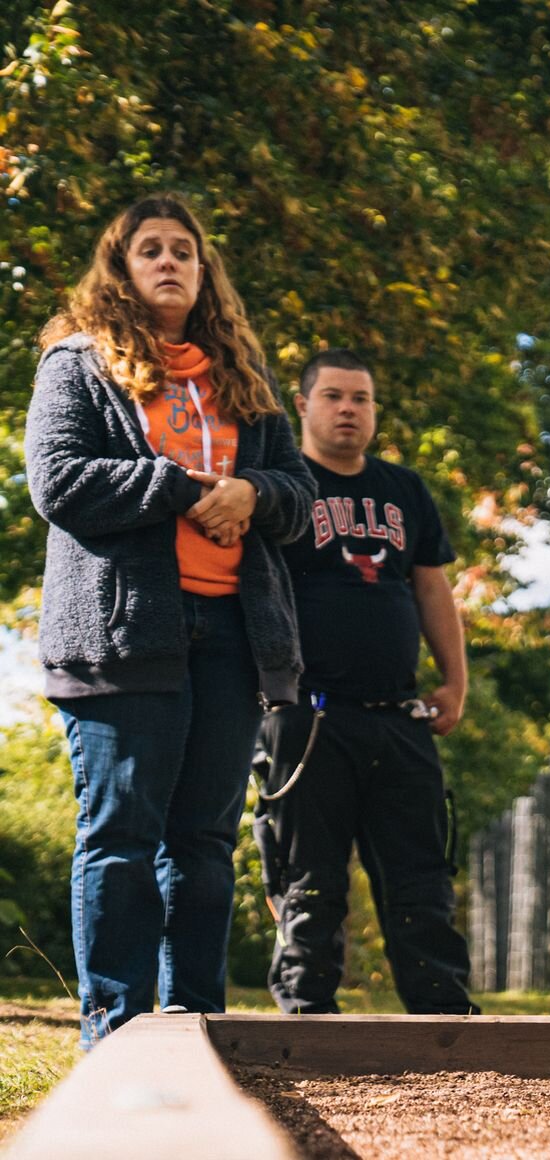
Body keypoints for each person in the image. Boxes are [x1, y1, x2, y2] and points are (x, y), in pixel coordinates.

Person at [25, 194, 315, 1047]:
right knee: (120, 832)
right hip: (123, 636)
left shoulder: (245, 384)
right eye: (148, 249)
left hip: (232, 635)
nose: (168, 261)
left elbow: (298, 500)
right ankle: (114, 1033)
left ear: (204, 270)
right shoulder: (76, 366)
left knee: (203, 842)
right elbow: (61, 483)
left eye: (183, 250)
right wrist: (186, 489)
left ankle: (199, 1029)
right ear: (120, 267)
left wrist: (254, 493)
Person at [251, 348, 479, 1016]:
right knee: (309, 882)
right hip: (308, 716)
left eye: (361, 398)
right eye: (333, 396)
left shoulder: (403, 489)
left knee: (422, 880)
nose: (348, 409)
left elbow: (433, 588)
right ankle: (307, 1021)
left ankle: (445, 1021)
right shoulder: (280, 486)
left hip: (399, 717)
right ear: (303, 405)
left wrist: (454, 682)